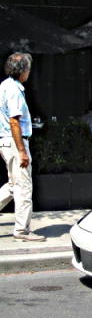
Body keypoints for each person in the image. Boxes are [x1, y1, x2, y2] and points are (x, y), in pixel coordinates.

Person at [0, 53, 45, 241]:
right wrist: (22, 151)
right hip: (15, 141)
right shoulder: (14, 90)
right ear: (22, 70)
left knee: (13, 186)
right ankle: (22, 231)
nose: (29, 72)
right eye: (28, 69)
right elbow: (14, 121)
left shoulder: (4, 85)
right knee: (24, 188)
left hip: (5, 140)